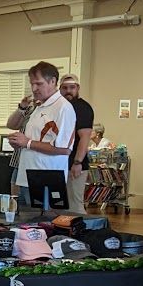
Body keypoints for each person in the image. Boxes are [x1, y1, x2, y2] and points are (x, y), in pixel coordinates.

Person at [6, 61, 76, 206]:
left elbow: (64, 148)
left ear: (53, 81)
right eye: (32, 84)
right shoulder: (38, 106)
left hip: (47, 178)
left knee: (44, 224)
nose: (34, 88)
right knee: (23, 224)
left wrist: (28, 143)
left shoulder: (63, 108)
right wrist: (19, 144)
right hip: (26, 175)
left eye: (39, 84)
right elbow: (27, 136)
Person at [59, 73, 95, 214]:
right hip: (60, 163)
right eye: (65, 87)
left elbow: (85, 137)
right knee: (60, 206)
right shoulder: (61, 107)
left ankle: (82, 234)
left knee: (75, 206)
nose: (68, 91)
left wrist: (77, 162)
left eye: (72, 87)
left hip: (75, 164)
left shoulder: (82, 108)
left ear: (78, 88)